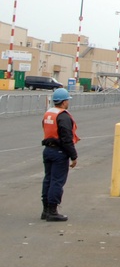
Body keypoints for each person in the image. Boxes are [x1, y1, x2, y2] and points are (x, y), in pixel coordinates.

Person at [41, 88, 78, 222]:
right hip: (59, 152)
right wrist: (73, 156)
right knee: (57, 181)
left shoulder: (49, 114)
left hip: (48, 150)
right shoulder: (63, 116)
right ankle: (52, 211)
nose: (68, 102)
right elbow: (67, 139)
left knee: (48, 180)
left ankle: (45, 210)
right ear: (63, 102)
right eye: (67, 100)